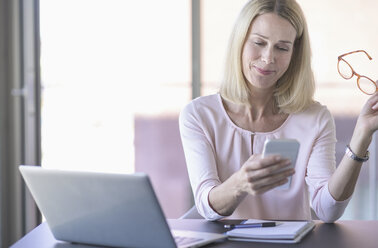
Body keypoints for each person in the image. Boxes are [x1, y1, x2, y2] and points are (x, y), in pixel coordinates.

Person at [179, 0, 378, 223]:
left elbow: (327, 211)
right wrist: (240, 183)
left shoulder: (315, 118)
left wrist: (362, 134)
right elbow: (206, 206)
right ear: (240, 42)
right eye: (259, 42)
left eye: (282, 48)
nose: (268, 58)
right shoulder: (199, 115)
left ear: (295, 54)